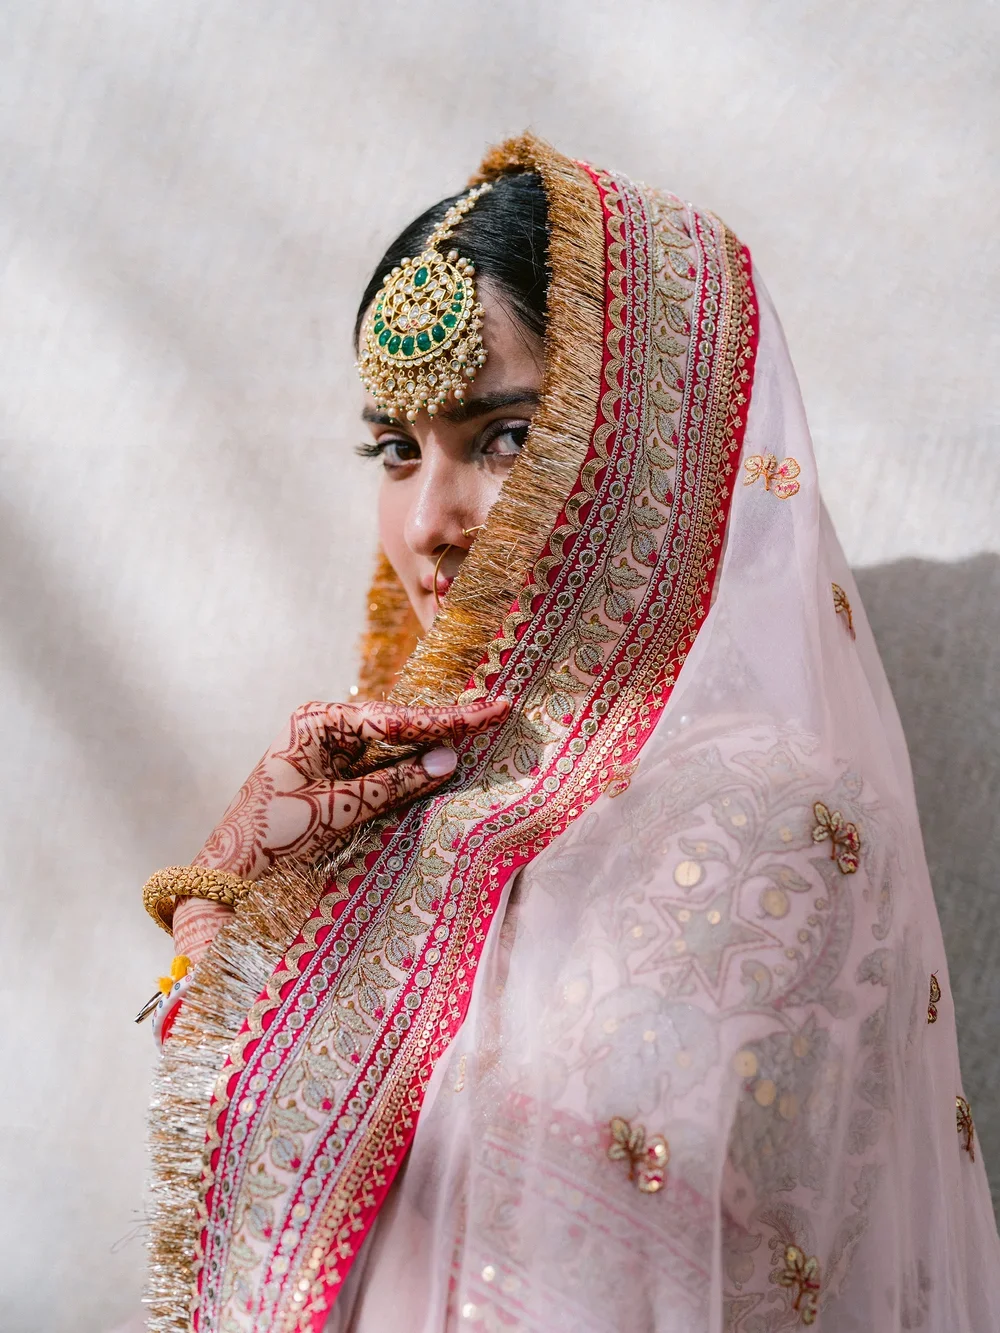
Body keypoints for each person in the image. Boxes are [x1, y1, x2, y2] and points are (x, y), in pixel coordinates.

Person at [140, 133, 999, 1332]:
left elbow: (573, 1276)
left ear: (648, 449)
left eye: (500, 437)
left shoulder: (760, 820)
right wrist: (234, 890)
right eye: (397, 447)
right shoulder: (434, 812)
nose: (429, 520)